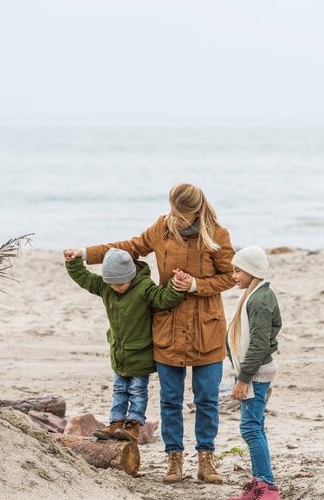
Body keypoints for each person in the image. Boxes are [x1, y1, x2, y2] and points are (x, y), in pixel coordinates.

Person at [64, 183, 235, 484]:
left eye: (181, 216)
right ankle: (174, 460)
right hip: (167, 328)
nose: (176, 220)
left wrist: (196, 286)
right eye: (172, 213)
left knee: (207, 399)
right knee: (170, 401)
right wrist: (85, 253)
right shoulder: (161, 227)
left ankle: (206, 460)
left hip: (206, 328)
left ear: (196, 212)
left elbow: (229, 277)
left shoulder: (217, 235)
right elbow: (129, 248)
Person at [63, 247, 185, 444]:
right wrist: (73, 263)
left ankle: (134, 424)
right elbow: (85, 278)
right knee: (119, 389)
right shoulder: (106, 287)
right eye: (111, 284)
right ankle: (116, 422)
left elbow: (164, 298)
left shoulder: (144, 288)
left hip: (140, 353)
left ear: (130, 276)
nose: (115, 287)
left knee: (137, 389)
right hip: (119, 353)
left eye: (120, 283)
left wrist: (176, 285)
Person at [226, 246, 282, 500]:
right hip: (253, 371)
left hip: (255, 374)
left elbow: (258, 344)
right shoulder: (255, 295)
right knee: (254, 426)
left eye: (238, 270)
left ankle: (268, 489)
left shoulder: (259, 300)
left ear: (251, 272)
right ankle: (258, 482)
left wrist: (243, 378)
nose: (233, 275)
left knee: (250, 428)